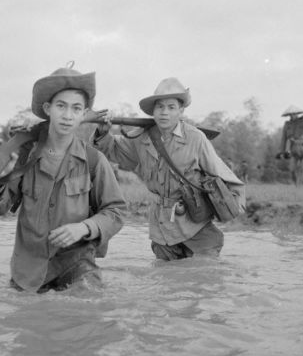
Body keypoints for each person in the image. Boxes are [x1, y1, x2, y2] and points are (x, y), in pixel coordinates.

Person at [0, 65, 126, 293]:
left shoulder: (94, 160)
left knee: (89, 303)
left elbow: (115, 211)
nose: (68, 116)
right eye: (61, 106)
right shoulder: (23, 155)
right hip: (29, 269)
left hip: (77, 263)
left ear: (83, 114)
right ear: (48, 108)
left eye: (76, 108)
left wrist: (83, 228)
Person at [92, 77, 245, 261]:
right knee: (165, 280)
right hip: (162, 228)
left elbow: (222, 174)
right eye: (160, 107)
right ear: (153, 111)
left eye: (171, 107)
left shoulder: (196, 139)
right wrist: (102, 132)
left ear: (181, 111)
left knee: (204, 277)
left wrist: (232, 206)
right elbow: (114, 150)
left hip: (195, 224)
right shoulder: (141, 138)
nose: (165, 113)